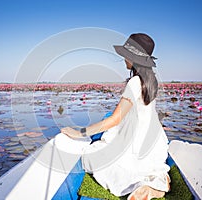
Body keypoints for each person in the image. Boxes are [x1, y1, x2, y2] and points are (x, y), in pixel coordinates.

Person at [61, 33, 170, 200]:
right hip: (153, 145)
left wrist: (80, 133)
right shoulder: (151, 80)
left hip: (135, 146)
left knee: (92, 156)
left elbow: (115, 119)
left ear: (133, 57)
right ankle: (157, 182)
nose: (124, 59)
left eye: (126, 55)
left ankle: (150, 185)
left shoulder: (135, 82)